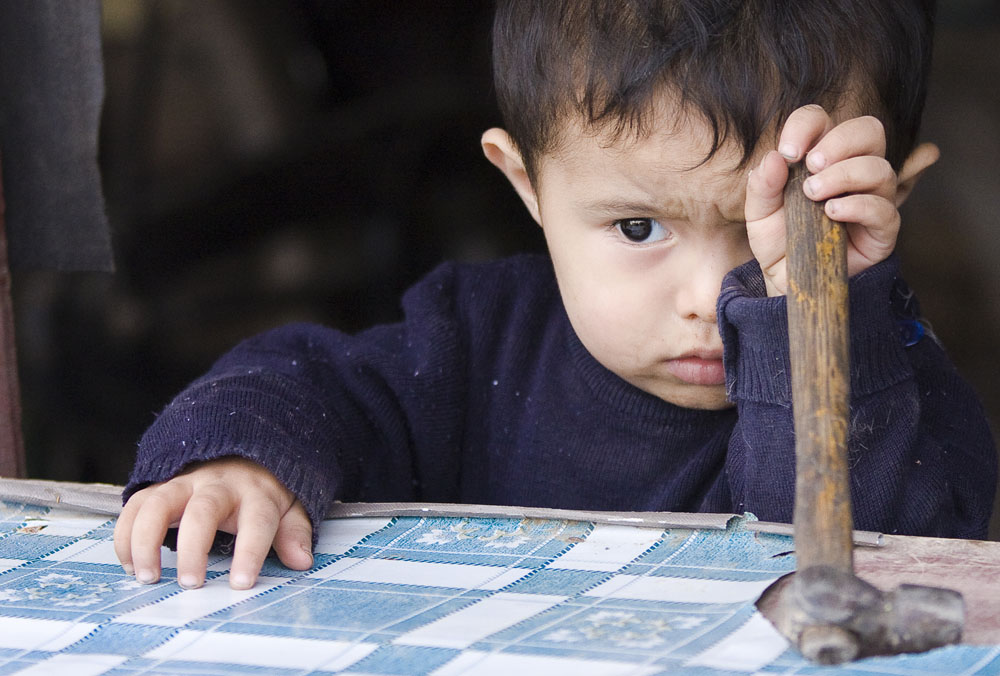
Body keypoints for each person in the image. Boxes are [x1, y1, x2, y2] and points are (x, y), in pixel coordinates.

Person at [114, 0, 997, 591]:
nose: (707, 299)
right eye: (639, 228)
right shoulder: (480, 338)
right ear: (528, 184)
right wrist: (239, 465)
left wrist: (817, 320)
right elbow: (308, 384)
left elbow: (843, 577)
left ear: (888, 203)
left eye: (769, 240)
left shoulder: (906, 404)